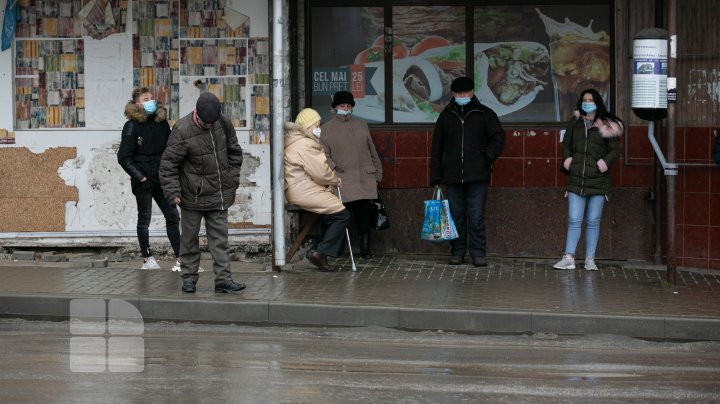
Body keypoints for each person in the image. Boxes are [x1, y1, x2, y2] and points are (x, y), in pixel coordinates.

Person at [159, 92, 246, 293]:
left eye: (212, 123)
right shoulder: (182, 129)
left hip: (219, 193)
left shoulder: (222, 122)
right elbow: (168, 164)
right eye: (206, 123)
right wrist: (173, 191)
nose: (209, 125)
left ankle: (223, 280)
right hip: (192, 195)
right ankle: (189, 278)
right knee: (189, 239)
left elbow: (234, 152)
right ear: (197, 112)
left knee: (220, 240)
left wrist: (231, 179)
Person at [430, 76, 505, 267]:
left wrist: (487, 157)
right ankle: (458, 252)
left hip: (478, 175)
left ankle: (478, 253)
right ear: (453, 94)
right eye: (458, 93)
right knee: (456, 216)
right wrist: (436, 175)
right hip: (452, 176)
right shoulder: (446, 116)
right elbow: (437, 147)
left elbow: (498, 138)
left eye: (465, 93)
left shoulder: (485, 114)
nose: (462, 96)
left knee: (476, 216)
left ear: (472, 93)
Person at [553, 88, 624, 271]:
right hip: (576, 180)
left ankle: (590, 259)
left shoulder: (607, 124)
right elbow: (566, 144)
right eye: (584, 99)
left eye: (590, 99)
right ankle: (569, 257)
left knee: (593, 221)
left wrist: (603, 164)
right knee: (574, 219)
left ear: (597, 102)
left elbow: (615, 150)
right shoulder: (575, 122)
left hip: (598, 181)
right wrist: (568, 162)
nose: (587, 102)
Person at [117, 86, 181, 271]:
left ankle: (181, 259)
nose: (150, 101)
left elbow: (169, 150)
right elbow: (124, 157)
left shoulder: (161, 122)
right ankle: (147, 258)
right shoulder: (131, 125)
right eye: (146, 99)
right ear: (137, 103)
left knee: (172, 216)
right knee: (144, 218)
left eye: (151, 98)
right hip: (143, 181)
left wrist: (170, 174)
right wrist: (141, 177)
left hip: (162, 179)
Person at [284, 108, 351, 272]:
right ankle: (319, 252)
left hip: (299, 189)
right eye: (317, 124)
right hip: (303, 191)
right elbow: (320, 172)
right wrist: (334, 180)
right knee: (342, 214)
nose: (319, 128)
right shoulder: (305, 144)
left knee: (331, 215)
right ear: (308, 126)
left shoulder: (296, 142)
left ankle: (319, 251)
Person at [320, 91, 383, 259]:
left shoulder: (362, 125)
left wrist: (378, 173)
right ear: (335, 108)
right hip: (342, 179)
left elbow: (372, 150)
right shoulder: (326, 129)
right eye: (342, 106)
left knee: (364, 216)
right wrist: (334, 166)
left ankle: (365, 249)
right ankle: (338, 249)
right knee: (342, 216)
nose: (345, 109)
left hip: (364, 177)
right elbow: (323, 154)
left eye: (348, 106)